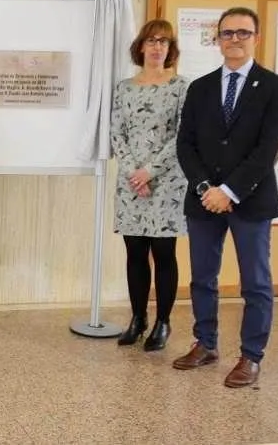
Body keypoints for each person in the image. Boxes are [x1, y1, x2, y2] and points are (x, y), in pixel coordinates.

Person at [174, 7, 278, 388]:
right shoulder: (200, 88)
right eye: (228, 33)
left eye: (243, 32)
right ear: (218, 39)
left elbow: (267, 149)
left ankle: (251, 356)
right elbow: (185, 145)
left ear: (256, 38)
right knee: (202, 277)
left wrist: (229, 191)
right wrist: (206, 189)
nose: (235, 39)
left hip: (251, 200)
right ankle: (205, 344)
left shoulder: (275, 87)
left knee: (255, 281)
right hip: (204, 200)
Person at [110, 19, 188, 352]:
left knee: (164, 252)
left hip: (166, 183)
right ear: (140, 46)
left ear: (171, 49)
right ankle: (138, 318)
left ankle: (163, 322)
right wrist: (134, 173)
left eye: (164, 42)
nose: (158, 47)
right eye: (152, 40)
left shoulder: (182, 86)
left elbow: (182, 135)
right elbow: (117, 134)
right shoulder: (124, 88)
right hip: (131, 184)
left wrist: (149, 172)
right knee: (135, 253)